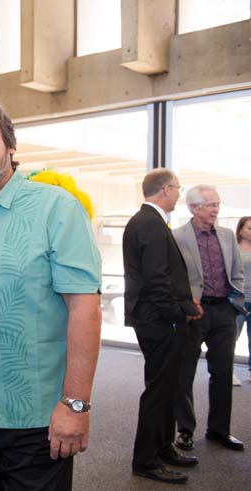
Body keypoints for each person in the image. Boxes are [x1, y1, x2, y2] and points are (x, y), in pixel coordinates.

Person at [0, 97, 102, 491]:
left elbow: (85, 309)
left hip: (34, 418)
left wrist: (76, 404)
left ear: (10, 146)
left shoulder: (56, 209)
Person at [122, 169, 202, 484]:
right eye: (178, 189)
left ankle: (163, 446)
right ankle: (145, 460)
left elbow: (163, 276)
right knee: (158, 390)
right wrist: (177, 314)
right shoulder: (149, 223)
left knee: (168, 386)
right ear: (166, 189)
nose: (179, 194)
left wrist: (183, 306)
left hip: (160, 318)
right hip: (159, 321)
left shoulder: (149, 222)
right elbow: (156, 280)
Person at [172, 185, 245, 452]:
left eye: (217, 204)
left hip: (224, 312)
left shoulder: (226, 236)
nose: (216, 209)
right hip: (194, 314)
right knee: (184, 373)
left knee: (223, 372)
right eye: (210, 204)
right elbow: (174, 276)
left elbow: (237, 272)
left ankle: (219, 430)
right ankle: (185, 431)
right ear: (193, 207)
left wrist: (234, 302)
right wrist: (187, 304)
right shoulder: (178, 237)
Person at [236, 216, 251, 382]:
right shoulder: (233, 248)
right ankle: (228, 370)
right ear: (240, 230)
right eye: (249, 228)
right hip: (239, 299)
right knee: (233, 336)